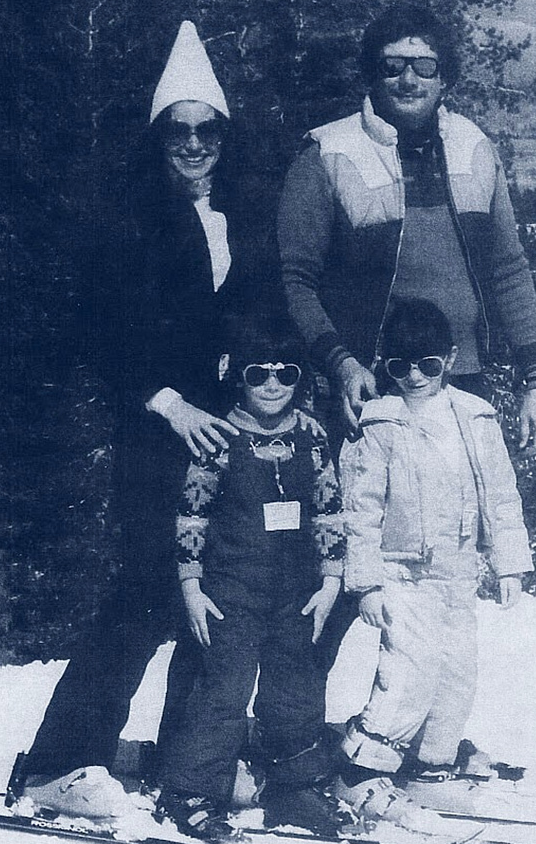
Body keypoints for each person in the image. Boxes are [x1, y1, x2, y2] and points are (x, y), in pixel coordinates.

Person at [5, 22, 283, 817]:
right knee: (147, 592)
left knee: (212, 594)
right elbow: (100, 329)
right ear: (157, 138)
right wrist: (169, 401)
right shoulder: (131, 219)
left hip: (223, 432)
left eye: (207, 130)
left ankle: (188, 761)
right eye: (178, 131)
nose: (193, 145)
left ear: (225, 136)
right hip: (160, 431)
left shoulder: (236, 213)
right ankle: (56, 765)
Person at [277, 1, 536, 454]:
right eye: (393, 66)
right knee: (368, 520)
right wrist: (341, 364)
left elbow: (510, 271)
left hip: (463, 383)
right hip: (368, 385)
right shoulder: (328, 153)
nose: (410, 80)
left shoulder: (475, 148)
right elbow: (295, 281)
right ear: (372, 73)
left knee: (463, 521)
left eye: (425, 67)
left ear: (444, 78)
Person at [334, 299, 532, 821]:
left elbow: (501, 494)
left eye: (428, 364)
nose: (415, 377)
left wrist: (509, 561)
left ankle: (429, 765)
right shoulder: (380, 423)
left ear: (449, 357)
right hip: (402, 570)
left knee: (456, 670)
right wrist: (367, 582)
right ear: (385, 365)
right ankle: (362, 769)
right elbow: (360, 509)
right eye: (400, 366)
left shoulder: (475, 416)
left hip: (458, 569)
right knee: (409, 668)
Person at [156, 319, 349, 840]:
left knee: (297, 687)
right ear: (236, 376)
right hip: (229, 591)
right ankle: (189, 790)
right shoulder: (219, 436)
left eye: (286, 374)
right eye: (258, 373)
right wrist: (191, 586)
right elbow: (191, 516)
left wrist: (331, 580)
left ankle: (292, 788)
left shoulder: (311, 436)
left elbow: (330, 511)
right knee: (225, 687)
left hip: (296, 590)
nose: (272, 385)